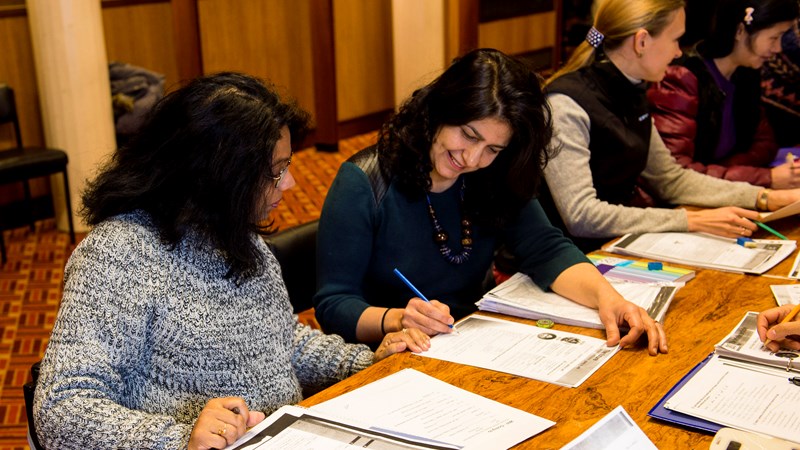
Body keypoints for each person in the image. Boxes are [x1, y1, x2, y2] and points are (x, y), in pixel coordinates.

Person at [33, 72, 420, 450]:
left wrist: (364, 362)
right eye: (276, 171)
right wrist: (181, 439)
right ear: (218, 175)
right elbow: (62, 409)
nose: (289, 185)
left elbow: (282, 342)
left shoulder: (236, 233)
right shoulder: (119, 254)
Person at [314, 48, 668, 357]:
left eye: (492, 149)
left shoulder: (494, 173)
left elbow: (545, 248)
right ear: (440, 109)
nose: (471, 159)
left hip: (472, 338)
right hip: (394, 352)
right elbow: (334, 304)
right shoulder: (365, 181)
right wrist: (396, 318)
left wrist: (610, 300)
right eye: (468, 135)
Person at [541, 0, 800, 253]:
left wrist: (763, 197)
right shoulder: (566, 104)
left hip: (614, 245)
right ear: (642, 42)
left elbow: (670, 179)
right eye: (675, 39)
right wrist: (690, 220)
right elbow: (582, 214)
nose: (679, 52)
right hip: (563, 257)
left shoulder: (632, 88)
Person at [648, 0, 800, 188]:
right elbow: (675, 172)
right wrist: (764, 177)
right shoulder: (682, 77)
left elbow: (766, 143)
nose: (778, 48)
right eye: (774, 37)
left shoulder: (745, 73)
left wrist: (724, 170)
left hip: (721, 193)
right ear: (740, 31)